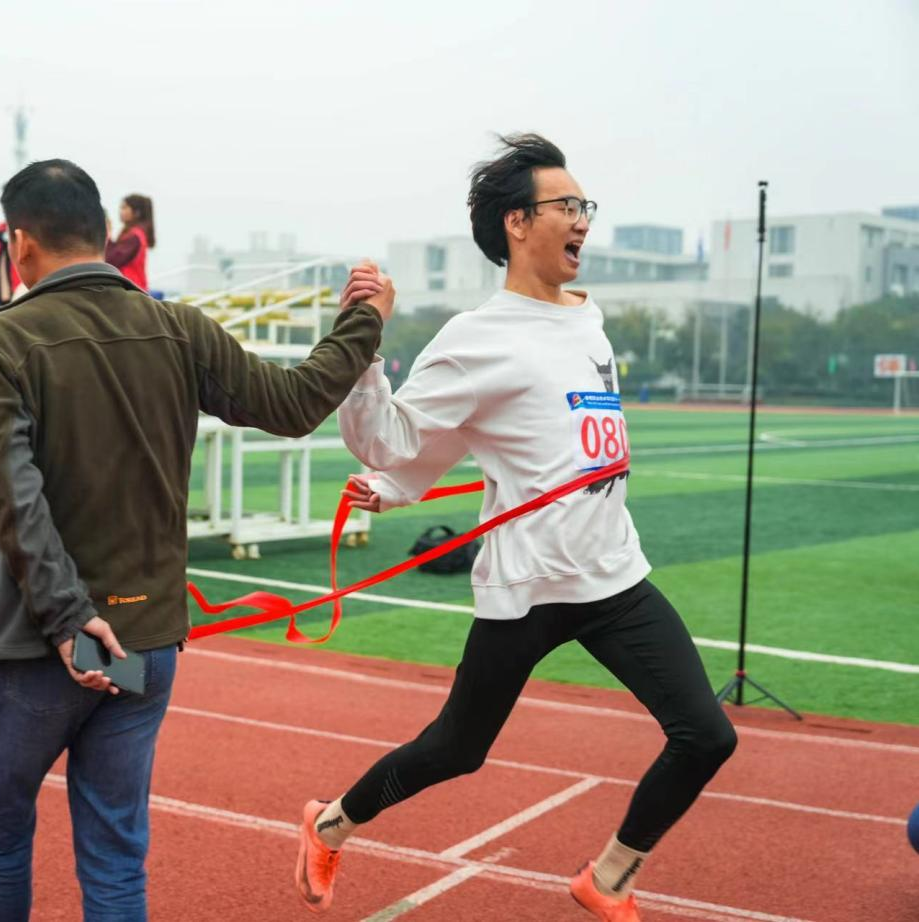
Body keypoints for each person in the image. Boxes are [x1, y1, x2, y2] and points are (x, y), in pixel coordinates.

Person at [293, 134, 737, 922]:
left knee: (706, 735)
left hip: (612, 575)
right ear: (517, 222)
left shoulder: (587, 319)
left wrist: (398, 491)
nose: (582, 220)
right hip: (527, 588)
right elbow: (391, 438)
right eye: (566, 206)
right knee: (456, 750)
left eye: (584, 205)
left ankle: (608, 877)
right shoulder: (478, 335)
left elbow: (512, 429)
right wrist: (364, 351)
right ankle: (330, 823)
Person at [0, 158, 387, 922]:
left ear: (19, 243)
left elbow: (13, 499)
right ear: (101, 232)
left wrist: (67, 620)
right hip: (141, 641)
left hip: (37, 646)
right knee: (115, 854)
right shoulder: (177, 328)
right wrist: (363, 320)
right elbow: (293, 403)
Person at [104, 193, 154, 289]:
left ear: (137, 212)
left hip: (132, 289)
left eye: (124, 208)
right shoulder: (130, 234)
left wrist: (107, 234)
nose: (121, 211)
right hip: (131, 288)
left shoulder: (134, 236)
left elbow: (112, 260)